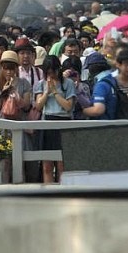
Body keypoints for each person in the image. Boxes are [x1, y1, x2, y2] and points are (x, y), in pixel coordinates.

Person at [33, 55, 75, 183]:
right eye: (48, 72)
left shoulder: (68, 83)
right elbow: (38, 106)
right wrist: (47, 92)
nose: (52, 75)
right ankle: (48, 193)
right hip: (47, 122)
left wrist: (55, 92)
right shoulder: (41, 84)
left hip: (64, 122)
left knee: (62, 164)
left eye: (54, 71)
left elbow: (68, 106)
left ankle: (62, 192)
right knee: (47, 165)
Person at [0, 49, 32, 120]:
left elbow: (26, 106)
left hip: (19, 122)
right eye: (5, 68)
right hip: (1, 122)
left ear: (16, 69)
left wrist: (15, 94)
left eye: (11, 69)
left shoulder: (24, 83)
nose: (8, 72)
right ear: (1, 68)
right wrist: (3, 94)